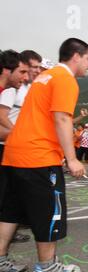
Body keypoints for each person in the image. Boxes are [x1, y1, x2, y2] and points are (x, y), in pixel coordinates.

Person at [0, 38, 88, 272]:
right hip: (39, 156)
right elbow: (61, 118)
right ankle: (45, 266)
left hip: (13, 152)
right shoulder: (65, 79)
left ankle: (0, 260)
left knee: (11, 210)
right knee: (49, 211)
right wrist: (72, 159)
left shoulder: (44, 77)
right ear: (76, 56)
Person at [0, 50, 34, 243]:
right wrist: (20, 136)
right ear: (6, 70)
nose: (25, 76)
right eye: (22, 72)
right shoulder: (7, 92)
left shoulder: (6, 91)